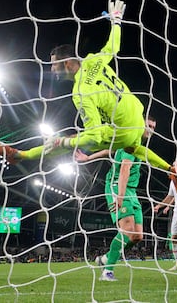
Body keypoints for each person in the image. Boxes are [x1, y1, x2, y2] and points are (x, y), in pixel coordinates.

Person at [0, 0, 172, 175]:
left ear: (68, 63)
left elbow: (93, 137)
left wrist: (64, 143)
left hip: (123, 129)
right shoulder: (93, 59)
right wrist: (116, 21)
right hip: (137, 119)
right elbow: (113, 46)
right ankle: (170, 169)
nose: (52, 69)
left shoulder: (81, 92)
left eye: (54, 64)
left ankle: (21, 155)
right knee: (131, 146)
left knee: (67, 141)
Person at [74, 116, 155, 282]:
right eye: (148, 125)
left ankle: (105, 259)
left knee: (137, 236)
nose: (151, 130)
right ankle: (107, 272)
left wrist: (88, 158)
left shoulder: (133, 142)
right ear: (140, 124)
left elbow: (108, 151)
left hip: (131, 191)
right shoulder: (132, 141)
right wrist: (119, 195)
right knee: (127, 229)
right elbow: (125, 169)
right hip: (117, 187)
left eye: (153, 127)